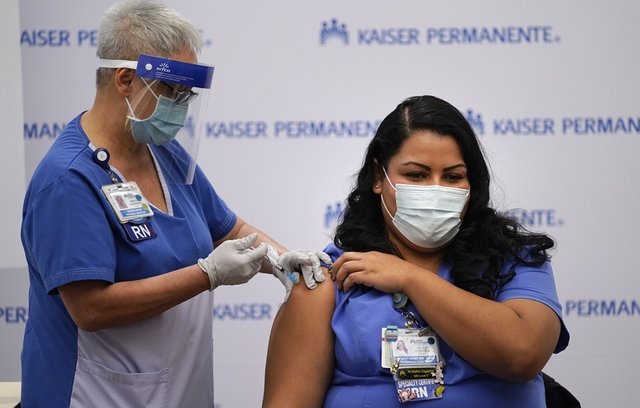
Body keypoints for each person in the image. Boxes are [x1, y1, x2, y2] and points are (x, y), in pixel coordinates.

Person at [19, 1, 328, 407]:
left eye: (188, 93)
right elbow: (91, 309)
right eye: (173, 91)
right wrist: (207, 274)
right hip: (95, 395)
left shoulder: (161, 152)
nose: (181, 105)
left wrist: (281, 259)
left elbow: (229, 229)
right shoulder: (68, 180)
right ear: (126, 79)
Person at [262, 95, 570, 408]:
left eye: (452, 177)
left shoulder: (515, 259)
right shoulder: (332, 276)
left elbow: (522, 354)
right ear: (379, 177)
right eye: (416, 175)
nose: (435, 189)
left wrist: (410, 279)